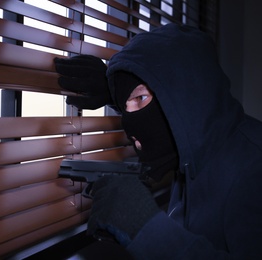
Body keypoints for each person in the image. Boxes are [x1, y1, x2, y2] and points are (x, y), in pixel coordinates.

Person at [54, 23, 262, 259]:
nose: (128, 123)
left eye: (140, 98)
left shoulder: (254, 166)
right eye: (124, 107)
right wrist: (117, 91)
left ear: (185, 92)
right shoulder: (191, 154)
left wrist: (145, 229)